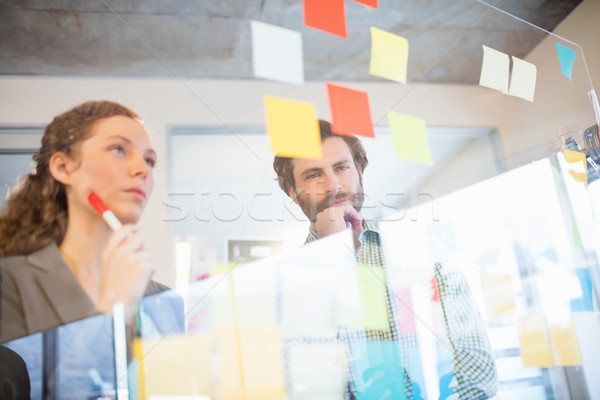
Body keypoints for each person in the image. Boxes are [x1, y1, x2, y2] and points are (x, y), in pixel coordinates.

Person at [273, 120, 498, 399]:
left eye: (342, 168)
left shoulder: (429, 256)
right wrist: (332, 253)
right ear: (293, 193)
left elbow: (479, 377)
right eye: (313, 175)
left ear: (360, 173)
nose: (333, 185)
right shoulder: (279, 287)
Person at [0, 101, 182, 344]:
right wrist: (112, 311)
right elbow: (21, 382)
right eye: (119, 149)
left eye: (149, 160)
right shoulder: (10, 282)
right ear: (63, 167)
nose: (142, 169)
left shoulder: (167, 300)